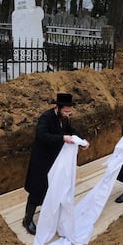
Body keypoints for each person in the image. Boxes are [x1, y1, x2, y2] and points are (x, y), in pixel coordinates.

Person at [23, 93, 90, 235]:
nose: (68, 114)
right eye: (66, 111)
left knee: (51, 189)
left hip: (55, 161)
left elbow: (71, 131)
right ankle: (27, 219)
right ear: (57, 108)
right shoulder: (46, 118)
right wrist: (62, 138)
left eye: (69, 111)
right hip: (41, 161)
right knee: (37, 191)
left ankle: (48, 214)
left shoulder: (64, 118)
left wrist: (82, 140)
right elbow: (42, 135)